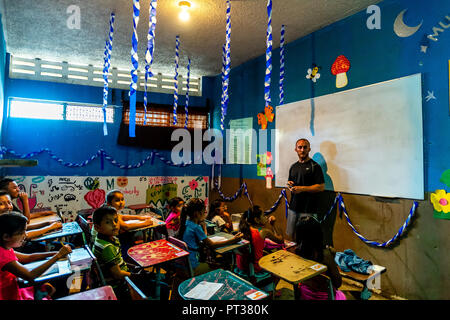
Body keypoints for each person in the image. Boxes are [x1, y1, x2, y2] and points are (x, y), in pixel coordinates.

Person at [91, 206, 167, 300]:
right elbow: (117, 274)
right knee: (163, 287)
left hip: (124, 276)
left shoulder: (106, 239)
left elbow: (119, 262)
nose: (114, 224)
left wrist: (134, 268)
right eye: (108, 222)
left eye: (115, 220)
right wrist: (136, 276)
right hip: (119, 285)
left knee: (156, 277)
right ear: (97, 227)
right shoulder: (107, 247)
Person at [0, 212, 72, 300]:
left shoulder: (5, 247)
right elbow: (30, 275)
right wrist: (58, 256)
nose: (25, 235)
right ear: (6, 237)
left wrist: (56, 253)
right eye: (21, 232)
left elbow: (28, 257)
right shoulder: (3, 255)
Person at [177, 198, 243, 276]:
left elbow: (203, 238)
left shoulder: (187, 223)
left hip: (183, 264)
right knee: (221, 269)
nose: (205, 213)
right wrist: (233, 240)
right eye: (203, 211)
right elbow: (212, 245)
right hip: (192, 266)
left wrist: (204, 227)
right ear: (197, 213)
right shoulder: (196, 227)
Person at [295, 216, 346, 300]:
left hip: (305, 294)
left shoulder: (297, 251)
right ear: (319, 234)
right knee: (342, 296)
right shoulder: (325, 254)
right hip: (324, 296)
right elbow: (338, 283)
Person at [286, 138, 325, 240]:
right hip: (293, 208)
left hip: (308, 210)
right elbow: (290, 182)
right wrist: (289, 185)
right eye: (300, 147)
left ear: (309, 149)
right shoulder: (293, 167)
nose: (302, 150)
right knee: (291, 237)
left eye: (305, 147)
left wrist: (302, 189)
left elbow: (321, 187)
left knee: (306, 240)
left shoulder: (315, 166)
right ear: (296, 149)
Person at [236, 205, 284, 275]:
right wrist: (273, 225)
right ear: (257, 220)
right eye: (263, 215)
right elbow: (281, 240)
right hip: (256, 269)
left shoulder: (244, 228)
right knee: (279, 269)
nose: (266, 217)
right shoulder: (264, 232)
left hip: (242, 267)